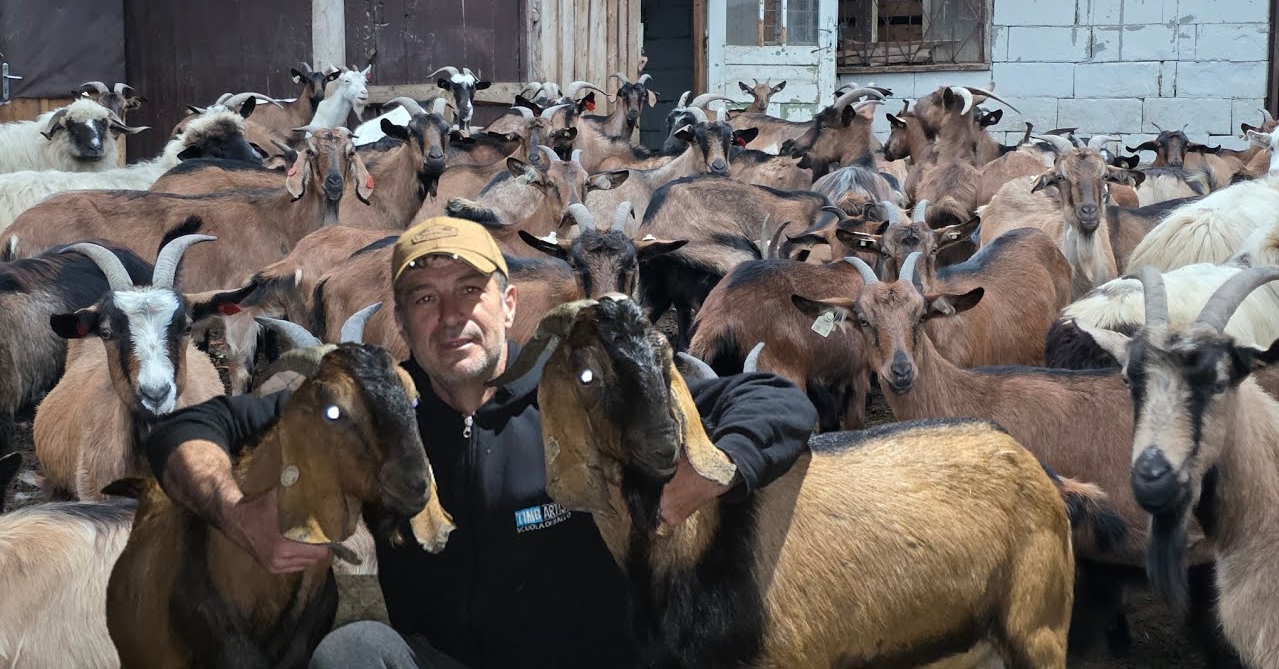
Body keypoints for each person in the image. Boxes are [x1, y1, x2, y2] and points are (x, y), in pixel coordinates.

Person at [144, 217, 818, 669]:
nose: (452, 314)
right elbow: (190, 427)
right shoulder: (376, 409)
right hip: (436, 658)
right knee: (354, 649)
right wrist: (235, 511)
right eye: (425, 298)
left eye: (471, 290)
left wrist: (712, 471)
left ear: (506, 304)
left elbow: (776, 401)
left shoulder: (583, 390)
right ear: (401, 321)